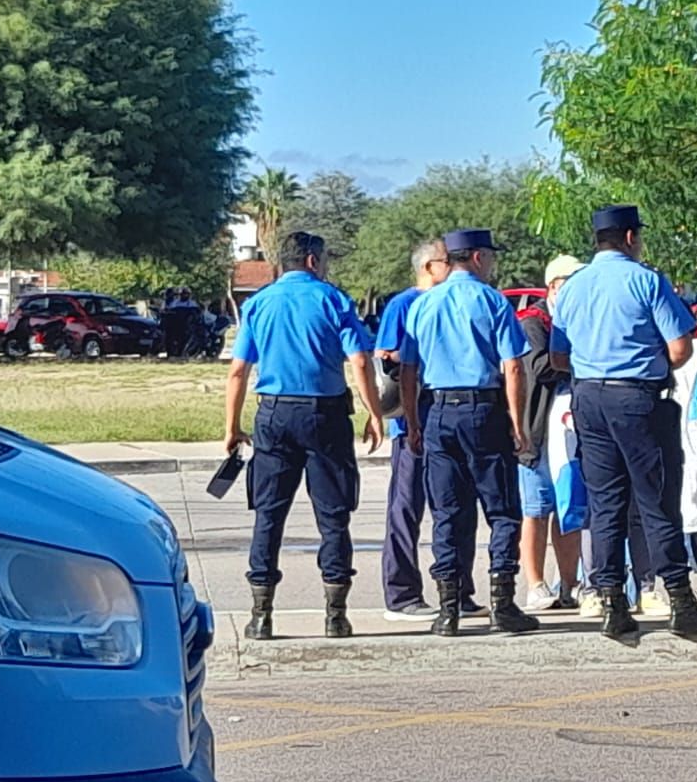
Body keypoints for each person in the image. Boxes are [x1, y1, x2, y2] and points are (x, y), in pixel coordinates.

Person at [549, 204, 697, 643]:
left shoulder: (572, 288)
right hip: (638, 398)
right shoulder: (646, 280)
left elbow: (557, 356)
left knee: (606, 503)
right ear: (630, 237)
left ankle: (611, 601)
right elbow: (681, 348)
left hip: (588, 398)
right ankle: (680, 601)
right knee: (655, 499)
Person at [223, 231, 384, 641]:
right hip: (324, 414)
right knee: (333, 515)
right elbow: (360, 359)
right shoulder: (333, 299)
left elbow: (238, 370)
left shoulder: (258, 303)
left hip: (274, 412)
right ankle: (336, 613)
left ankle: (261, 614)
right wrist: (374, 411)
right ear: (313, 260)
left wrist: (231, 426)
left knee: (269, 514)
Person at [399, 228, 538, 638]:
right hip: (483, 409)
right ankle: (503, 603)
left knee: (448, 512)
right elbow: (513, 366)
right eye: (490, 256)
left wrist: (413, 421)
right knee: (502, 510)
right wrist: (518, 422)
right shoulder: (491, 300)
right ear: (477, 258)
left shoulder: (424, 304)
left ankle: (448, 608)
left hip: (439, 410)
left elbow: (408, 370)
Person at [373, 238, 454, 621]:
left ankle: (455, 587)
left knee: (450, 506)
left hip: (446, 418)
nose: (451, 266)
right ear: (428, 267)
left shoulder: (450, 299)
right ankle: (401, 592)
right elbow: (385, 356)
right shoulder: (404, 304)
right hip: (411, 422)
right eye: (445, 261)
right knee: (406, 507)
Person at [518, 254, 585, 612]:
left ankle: (570, 583)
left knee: (567, 506)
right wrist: (576, 358)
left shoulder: (579, 319)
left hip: (570, 431)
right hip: (537, 430)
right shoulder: (534, 322)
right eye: (569, 283)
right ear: (553, 287)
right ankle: (535, 583)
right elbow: (539, 366)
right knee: (537, 509)